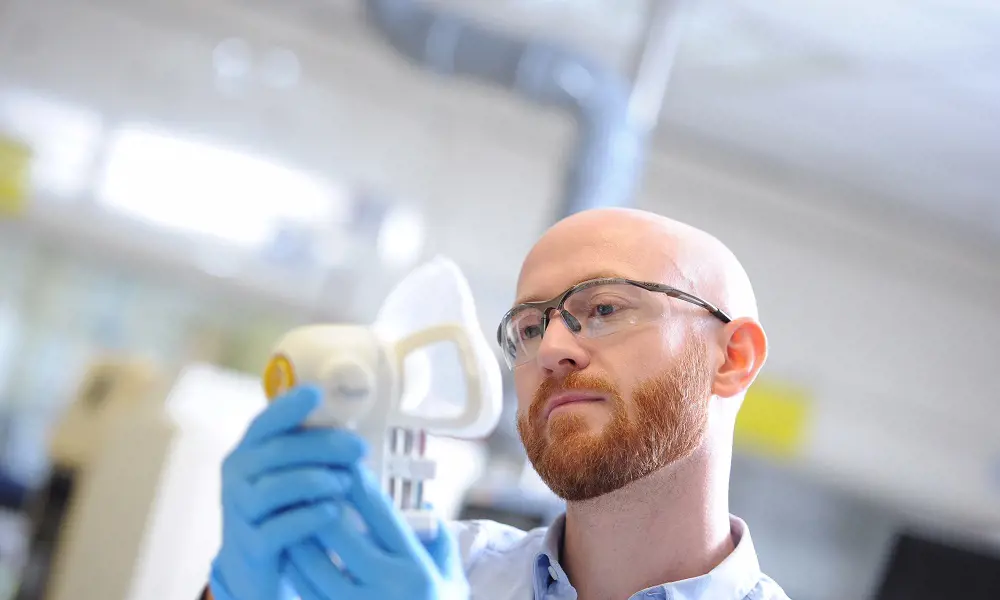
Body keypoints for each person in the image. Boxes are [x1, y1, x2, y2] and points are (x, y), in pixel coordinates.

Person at [206, 208, 791, 600]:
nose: (553, 349)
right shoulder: (430, 565)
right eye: (530, 327)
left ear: (732, 357)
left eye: (605, 309)